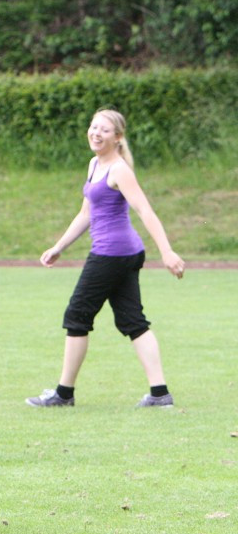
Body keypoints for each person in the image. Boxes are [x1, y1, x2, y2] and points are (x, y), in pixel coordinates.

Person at [27, 109, 184, 408]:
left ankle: (63, 394)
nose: (96, 133)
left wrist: (166, 251)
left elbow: (144, 211)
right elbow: (86, 213)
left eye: (105, 130)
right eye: (94, 127)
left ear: (118, 137)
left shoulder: (119, 170)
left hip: (111, 254)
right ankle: (160, 394)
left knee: (76, 316)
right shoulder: (94, 164)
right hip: (123, 253)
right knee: (133, 320)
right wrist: (59, 246)